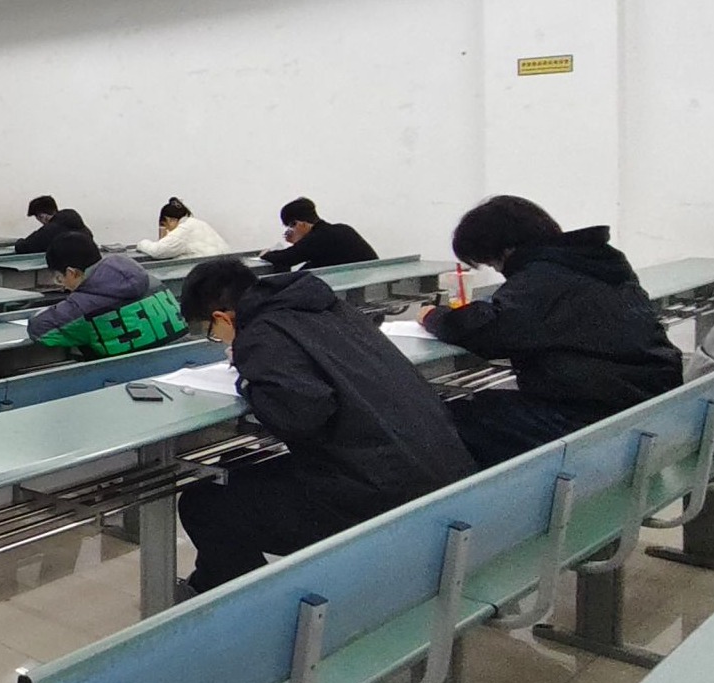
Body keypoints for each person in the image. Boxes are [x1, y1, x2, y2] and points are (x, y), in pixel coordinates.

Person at [177, 259, 476, 593]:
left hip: (383, 496)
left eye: (212, 333)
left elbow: (300, 416)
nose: (218, 339)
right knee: (241, 466)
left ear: (222, 317)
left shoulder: (260, 333)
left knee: (203, 504)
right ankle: (208, 582)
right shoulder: (333, 310)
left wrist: (247, 380)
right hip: (443, 471)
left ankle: (251, 606)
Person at [420, 196, 682, 467]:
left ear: (506, 250)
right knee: (486, 407)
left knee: (449, 418)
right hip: (648, 406)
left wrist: (433, 316)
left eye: (491, 262)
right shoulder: (598, 262)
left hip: (596, 420)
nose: (498, 271)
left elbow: (485, 330)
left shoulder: (542, 275)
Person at [26, 231, 187, 358]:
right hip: (183, 362)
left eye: (59, 279)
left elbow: (39, 330)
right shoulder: (151, 280)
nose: (62, 287)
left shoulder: (82, 307)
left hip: (128, 378)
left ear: (72, 272)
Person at [260, 197, 377, 271]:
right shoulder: (342, 229)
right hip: (367, 282)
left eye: (290, 227)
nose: (289, 231)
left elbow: (285, 258)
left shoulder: (317, 238)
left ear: (299, 224)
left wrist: (265, 254)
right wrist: (298, 243)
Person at [136, 197, 231, 260]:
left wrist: (141, 244)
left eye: (165, 225)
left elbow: (157, 251)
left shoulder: (183, 229)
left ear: (169, 220)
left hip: (209, 272)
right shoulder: (198, 223)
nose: (168, 230)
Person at [15, 196, 92, 254]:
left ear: (43, 216)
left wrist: (19, 241)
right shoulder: (79, 225)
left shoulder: (51, 229)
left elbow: (24, 247)